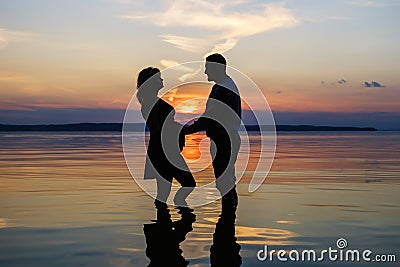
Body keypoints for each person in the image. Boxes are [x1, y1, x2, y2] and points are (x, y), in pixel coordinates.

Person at [182, 53, 241, 214]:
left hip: (224, 140)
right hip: (225, 139)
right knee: (227, 180)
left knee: (224, 182)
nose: (205, 72)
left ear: (217, 68)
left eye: (208, 68)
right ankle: (229, 221)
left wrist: (184, 131)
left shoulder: (223, 89)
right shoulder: (223, 85)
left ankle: (227, 220)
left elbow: (209, 119)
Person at [136, 67, 196, 207]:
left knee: (167, 190)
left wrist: (180, 129)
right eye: (158, 78)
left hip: (168, 150)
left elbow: (165, 125)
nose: (162, 80)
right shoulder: (149, 102)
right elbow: (158, 128)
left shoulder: (154, 100)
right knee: (182, 185)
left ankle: (164, 223)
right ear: (151, 82)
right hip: (163, 151)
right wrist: (179, 129)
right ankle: (174, 216)